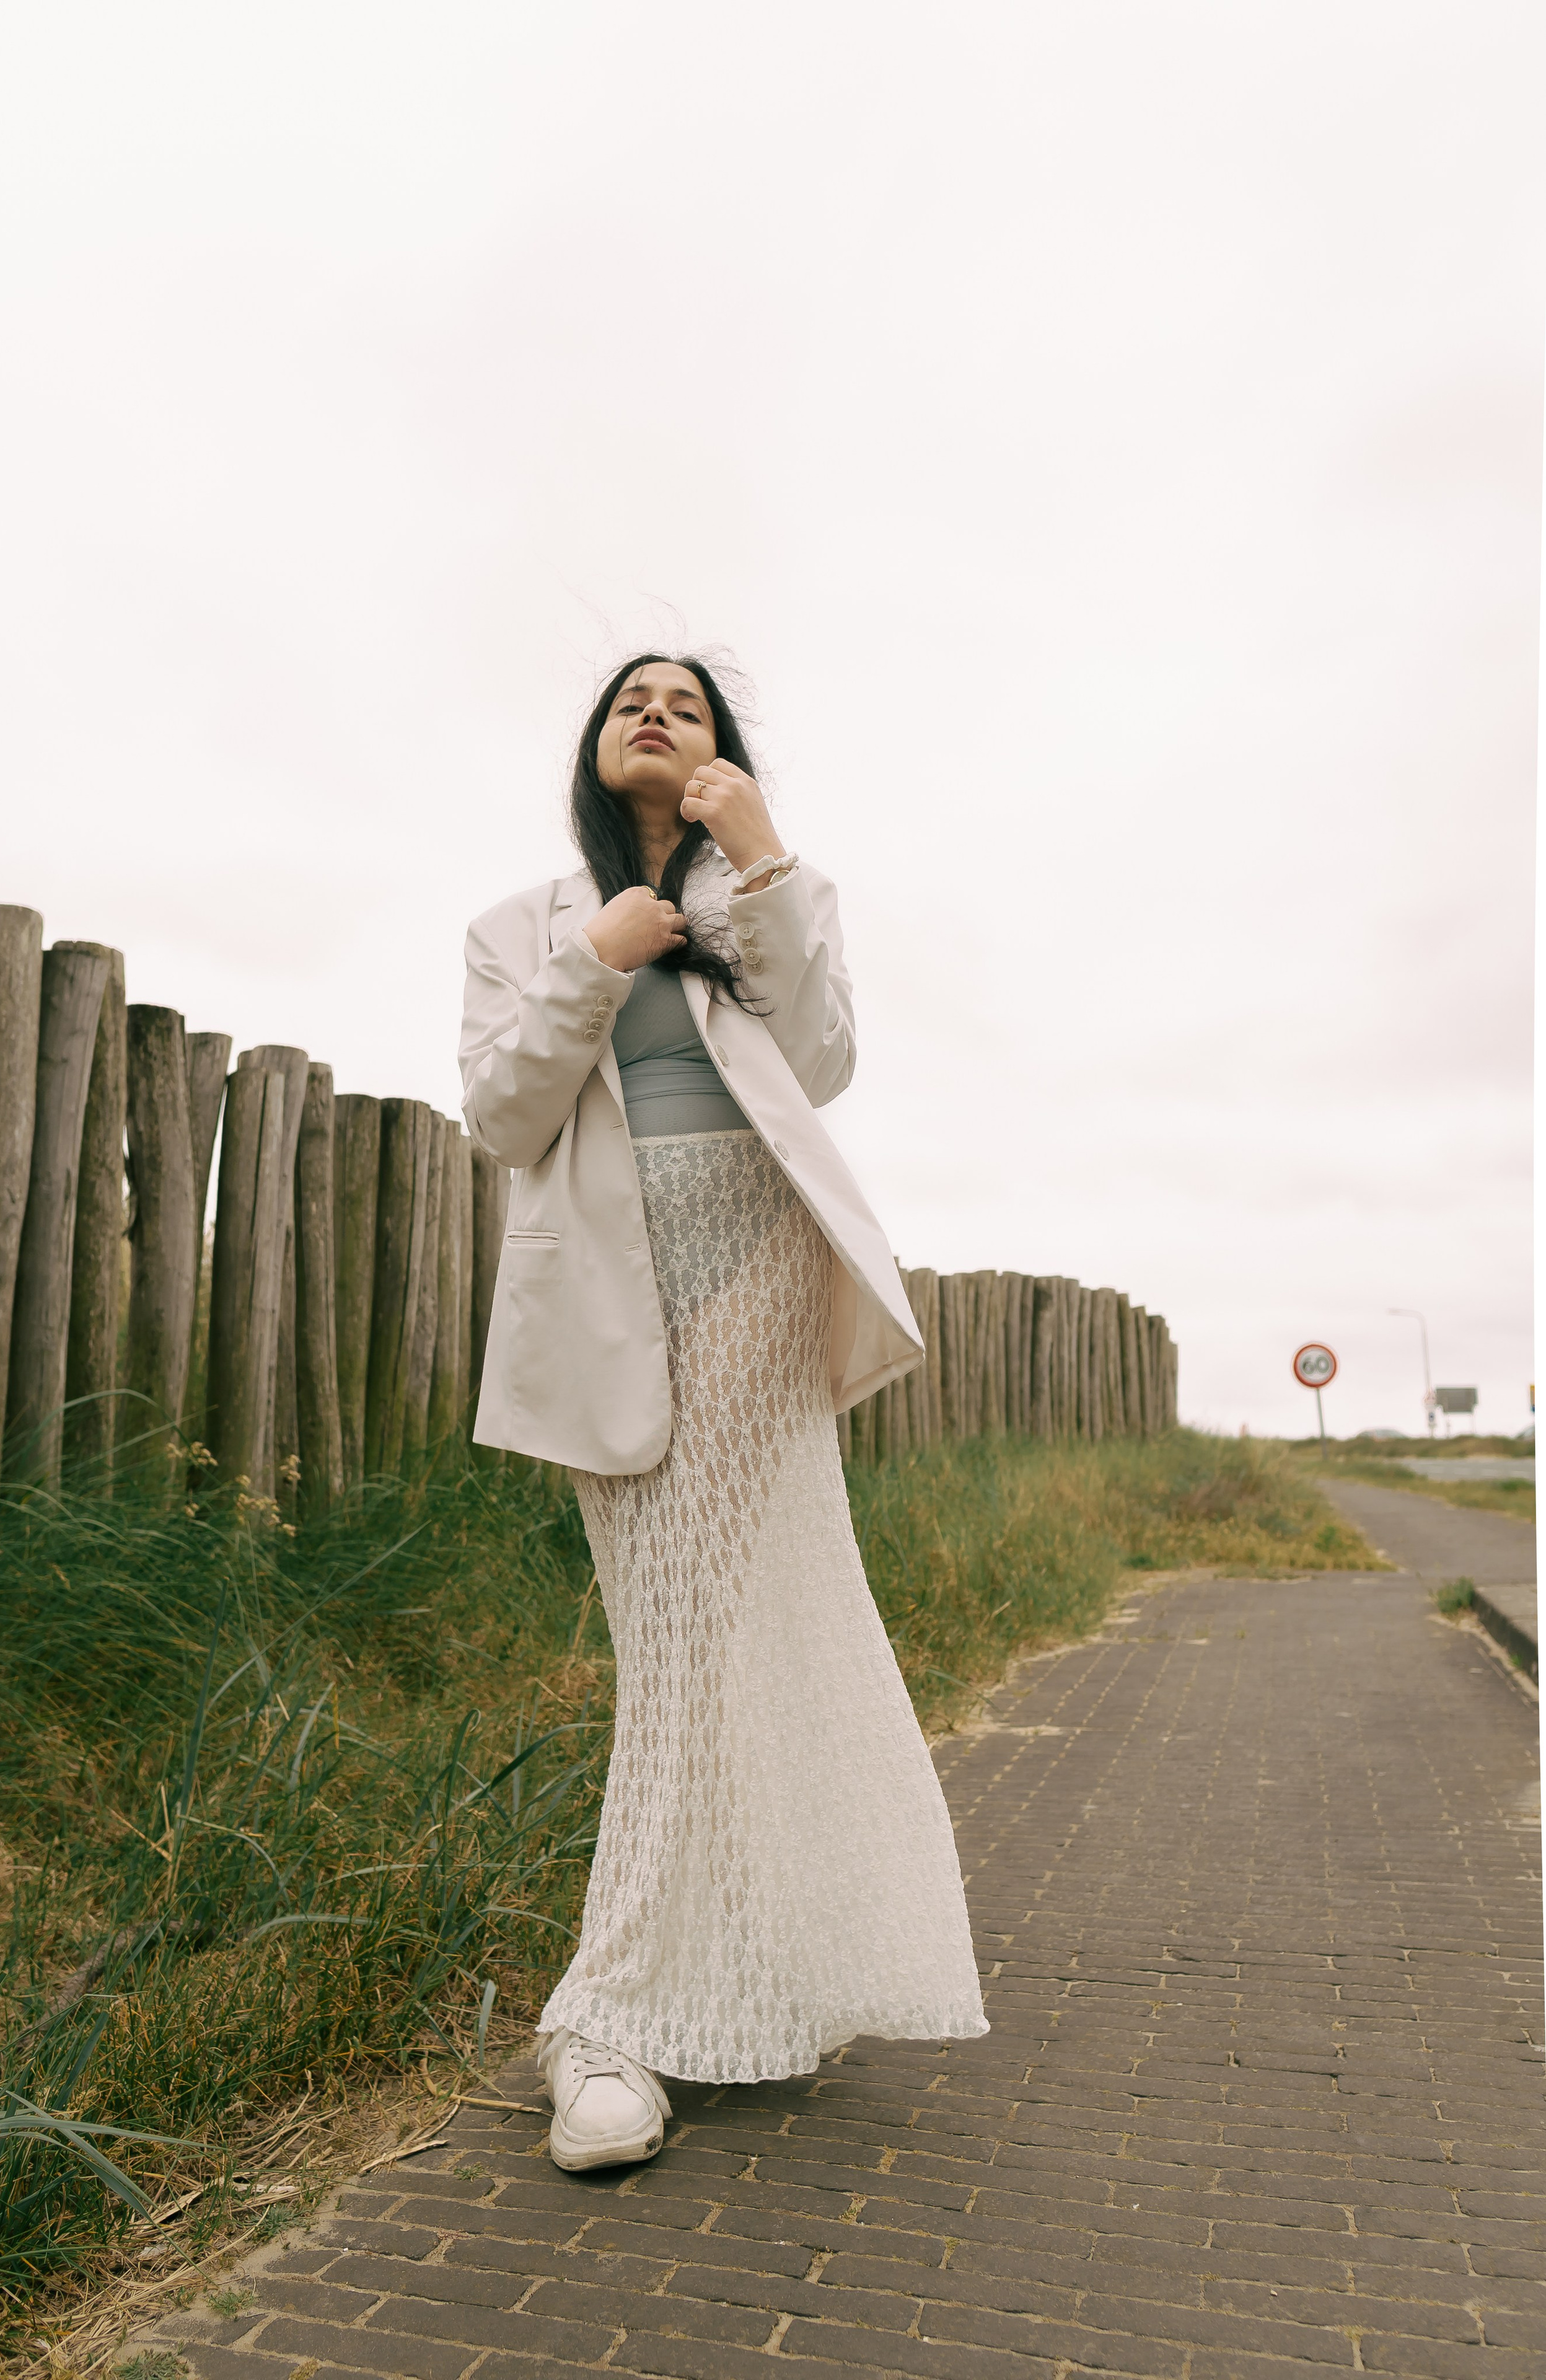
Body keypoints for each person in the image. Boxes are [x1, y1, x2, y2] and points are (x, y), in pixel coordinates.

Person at [459, 653, 986, 2172]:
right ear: (593, 742)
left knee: (731, 1627)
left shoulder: (765, 896)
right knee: (680, 1638)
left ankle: (613, 2018)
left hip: (757, 1261)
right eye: (631, 697)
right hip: (609, 1294)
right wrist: (596, 958)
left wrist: (764, 864)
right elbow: (502, 1115)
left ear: (721, 752)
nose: (655, 711)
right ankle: (687, 1980)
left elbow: (818, 1064)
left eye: (686, 704)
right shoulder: (519, 926)